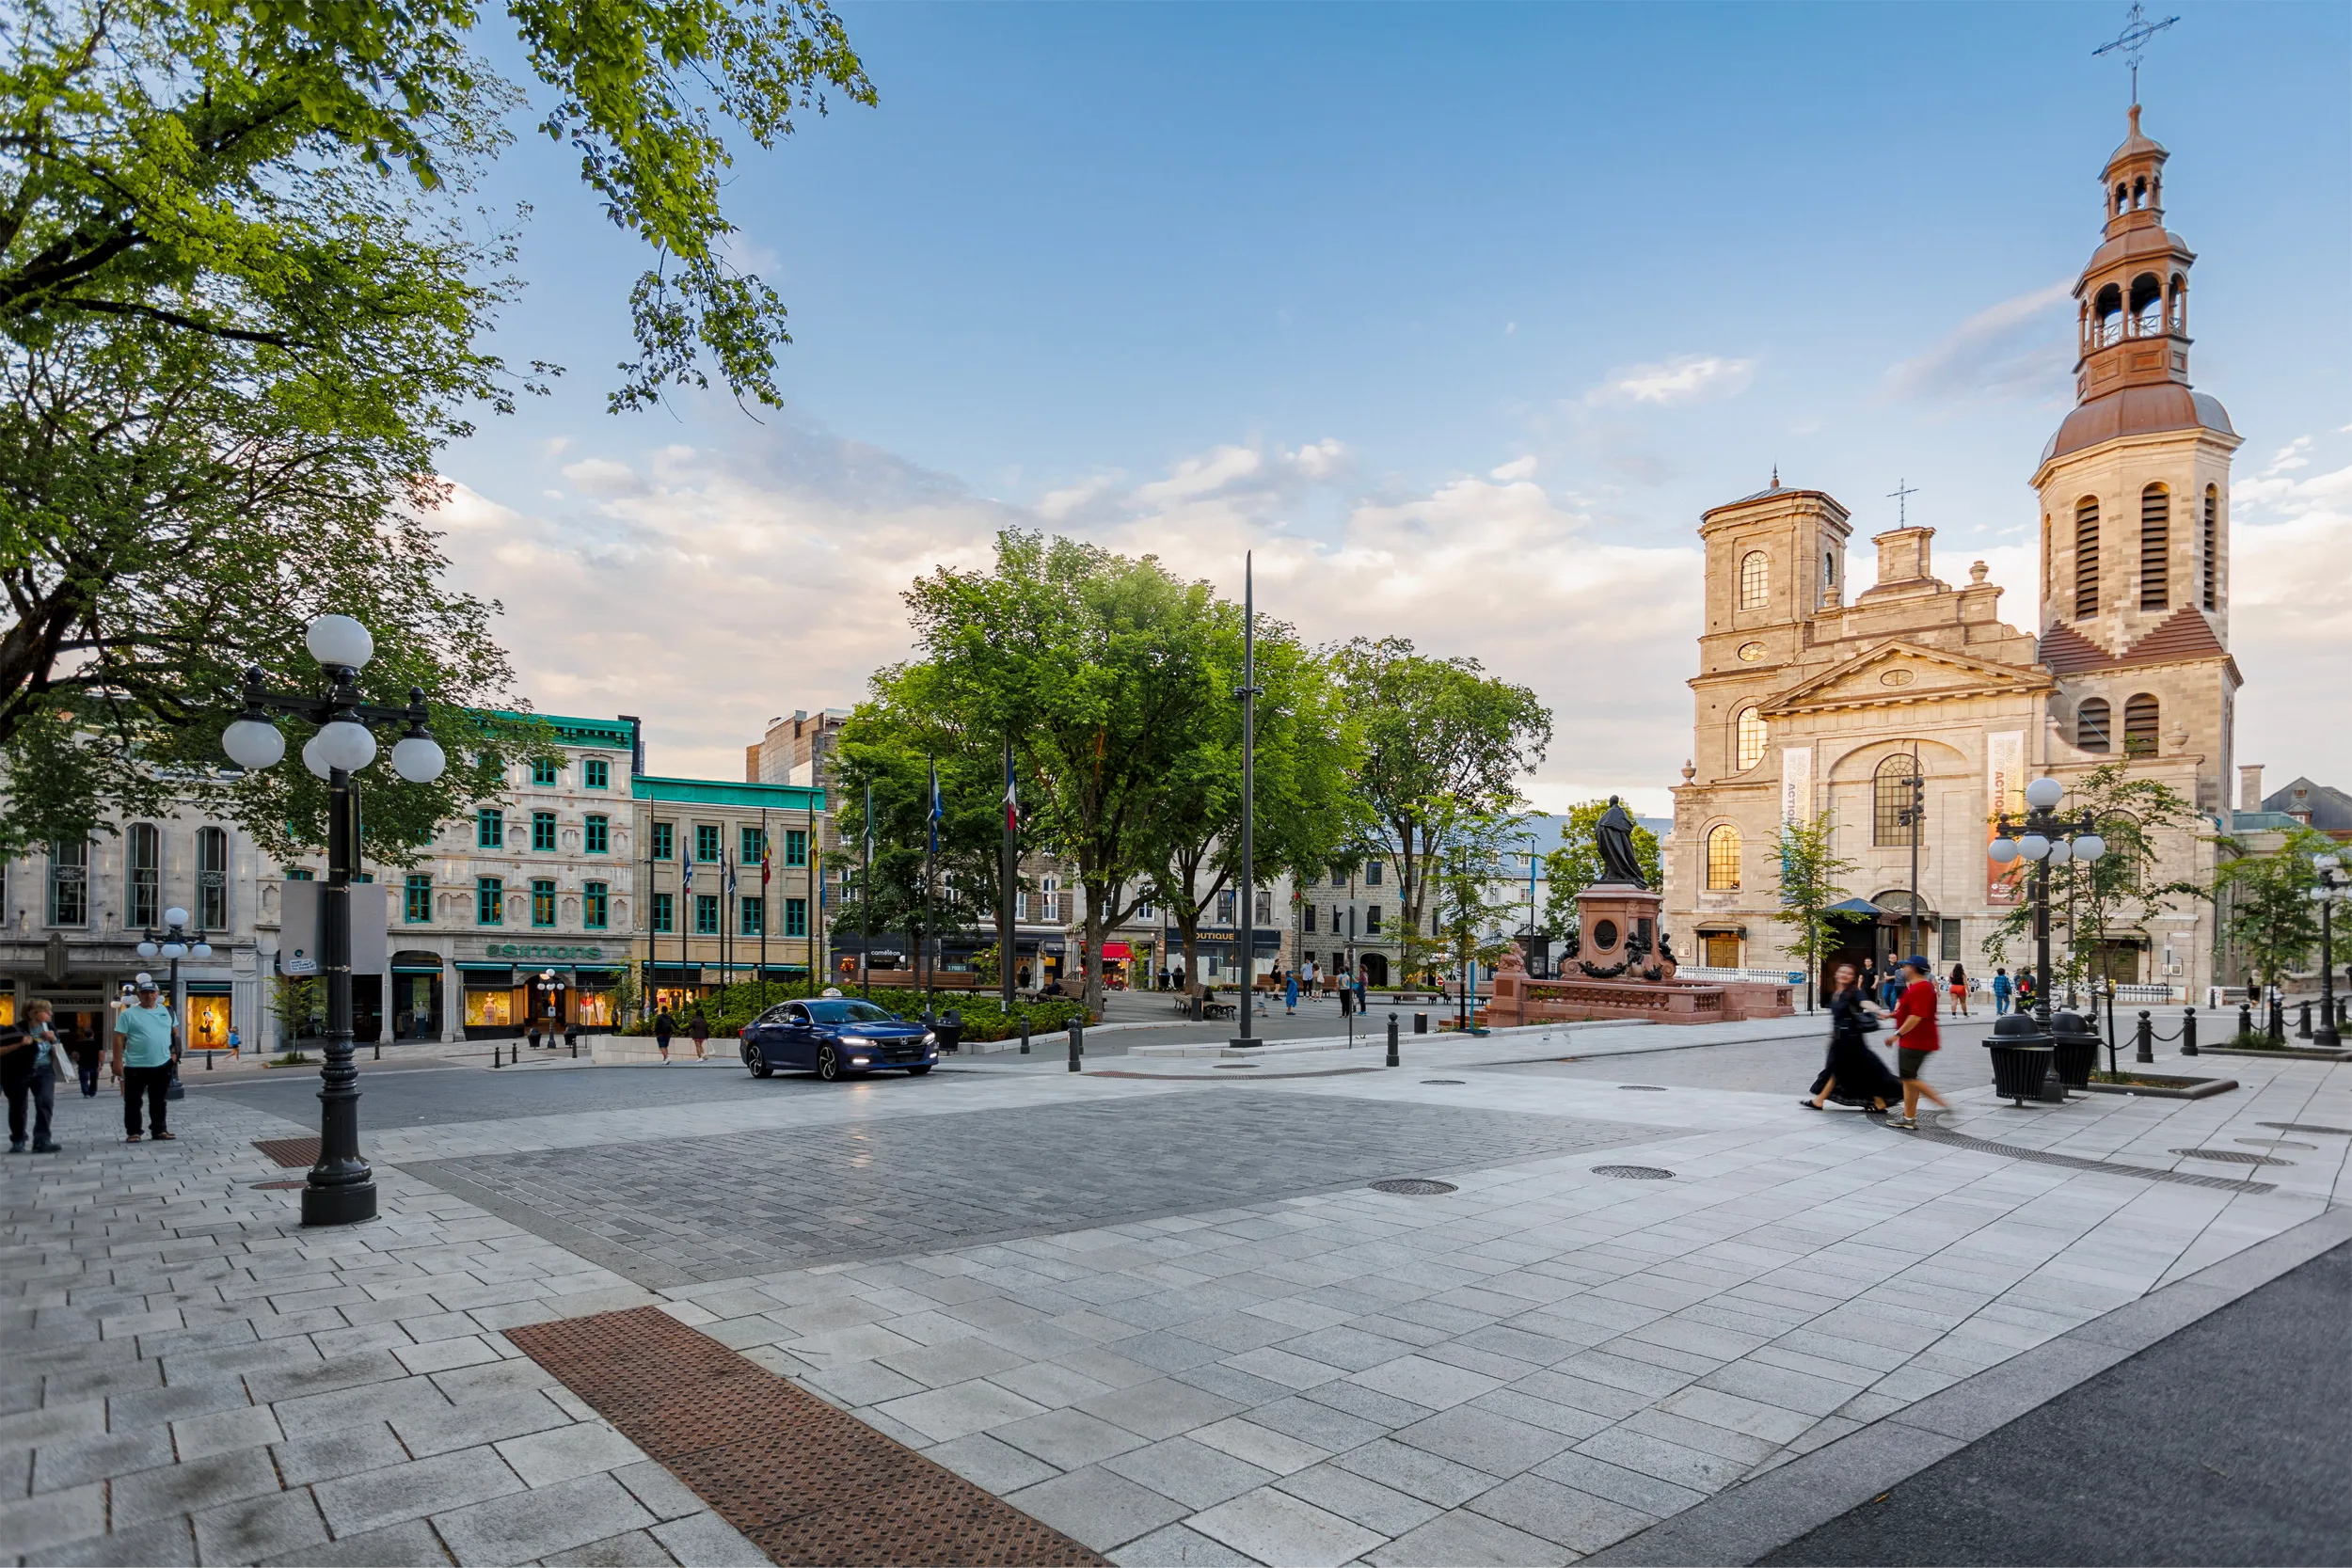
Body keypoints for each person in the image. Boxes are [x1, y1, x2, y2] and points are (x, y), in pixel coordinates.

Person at [1803, 964, 1899, 1115]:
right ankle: (1819, 1101)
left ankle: (1879, 1102)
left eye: (1848, 973)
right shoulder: (1836, 993)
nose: (1844, 975)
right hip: (1839, 1039)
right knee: (1836, 1070)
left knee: (1862, 1071)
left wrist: (1878, 1010)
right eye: (1842, 972)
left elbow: (1864, 1002)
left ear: (1853, 977)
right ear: (1836, 974)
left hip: (1851, 1040)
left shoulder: (1854, 992)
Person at [1888, 957, 1949, 1130]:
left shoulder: (1922, 987)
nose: (1902, 969)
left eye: (1905, 966)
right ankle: (1909, 1119)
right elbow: (1910, 1010)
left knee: (1908, 1078)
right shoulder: (1917, 987)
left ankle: (1942, 1103)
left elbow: (1917, 1016)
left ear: (1913, 968)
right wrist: (1891, 1015)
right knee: (1909, 1079)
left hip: (1916, 1040)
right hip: (1913, 1039)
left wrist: (1897, 1034)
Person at [114, 976, 177, 1142]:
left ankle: (159, 1130)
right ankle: (134, 1132)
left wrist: (175, 1053)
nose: (149, 996)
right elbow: (119, 1038)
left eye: (152, 993)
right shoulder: (128, 1014)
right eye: (145, 993)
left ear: (158, 994)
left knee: (159, 1100)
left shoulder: (167, 1011)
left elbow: (174, 1033)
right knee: (133, 1101)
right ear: (139, 996)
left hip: (162, 1062)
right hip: (136, 1064)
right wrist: (117, 1061)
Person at [2, 999, 63, 1152]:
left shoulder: (49, 1027)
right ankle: (18, 1139)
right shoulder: (15, 1030)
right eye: (47, 1011)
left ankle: (42, 1140)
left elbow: (58, 1044)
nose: (51, 1014)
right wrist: (21, 1044)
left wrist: (53, 1039)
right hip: (19, 1072)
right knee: (18, 1106)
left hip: (44, 1070)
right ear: (34, 1013)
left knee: (45, 1102)